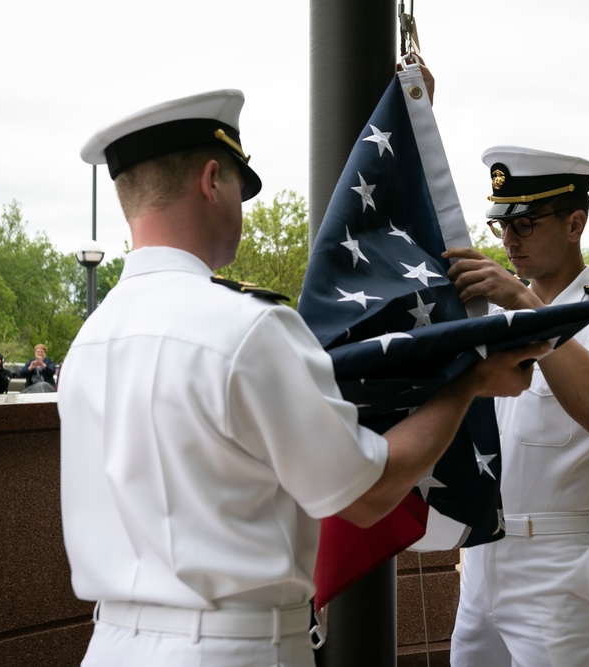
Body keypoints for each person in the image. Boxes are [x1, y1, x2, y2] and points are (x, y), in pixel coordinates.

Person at [59, 88, 543, 667]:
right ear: (211, 180)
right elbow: (367, 494)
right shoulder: (248, 328)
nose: (241, 204)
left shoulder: (90, 340)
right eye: (240, 186)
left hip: (110, 644)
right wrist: (469, 380)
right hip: (233, 648)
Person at [444, 146, 589, 666]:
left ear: (574, 223)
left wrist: (526, 308)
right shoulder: (490, 317)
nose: (510, 240)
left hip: (557, 564)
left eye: (526, 222)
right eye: (502, 225)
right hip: (481, 555)